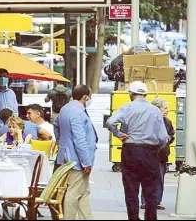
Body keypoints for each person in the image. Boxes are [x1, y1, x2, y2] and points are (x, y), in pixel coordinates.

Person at [106, 81, 168, 220]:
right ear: (145, 94)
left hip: (131, 150)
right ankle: (150, 217)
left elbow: (110, 122)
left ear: (131, 94)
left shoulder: (126, 108)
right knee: (151, 190)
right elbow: (163, 137)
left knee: (131, 189)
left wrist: (119, 133)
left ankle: (133, 218)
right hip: (150, 152)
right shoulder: (155, 110)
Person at [54, 84, 97, 220]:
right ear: (85, 96)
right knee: (73, 192)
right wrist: (86, 162)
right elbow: (80, 140)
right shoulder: (78, 112)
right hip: (77, 160)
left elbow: (56, 125)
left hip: (66, 156)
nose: (90, 98)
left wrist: (62, 143)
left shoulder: (66, 109)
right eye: (90, 96)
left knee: (83, 192)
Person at [140, 98, 175, 211]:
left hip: (161, 154)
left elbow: (171, 135)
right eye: (165, 108)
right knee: (147, 178)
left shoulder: (167, 122)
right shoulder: (147, 121)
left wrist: (167, 139)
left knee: (159, 178)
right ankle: (145, 201)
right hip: (148, 153)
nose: (167, 110)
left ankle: (157, 201)